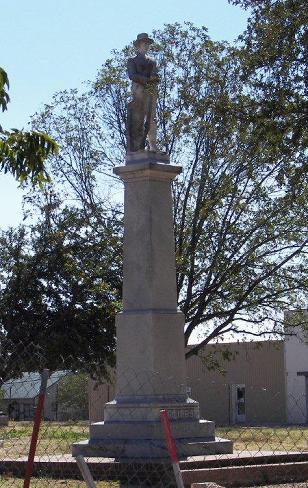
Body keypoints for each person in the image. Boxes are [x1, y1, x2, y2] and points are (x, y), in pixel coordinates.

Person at [127, 33, 159, 152]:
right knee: (139, 119)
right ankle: (138, 146)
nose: (146, 46)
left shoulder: (152, 61)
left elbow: (155, 75)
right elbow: (132, 75)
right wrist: (146, 80)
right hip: (139, 92)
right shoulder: (132, 61)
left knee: (152, 119)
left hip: (151, 92)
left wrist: (154, 79)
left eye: (148, 44)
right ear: (138, 45)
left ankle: (153, 145)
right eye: (144, 44)